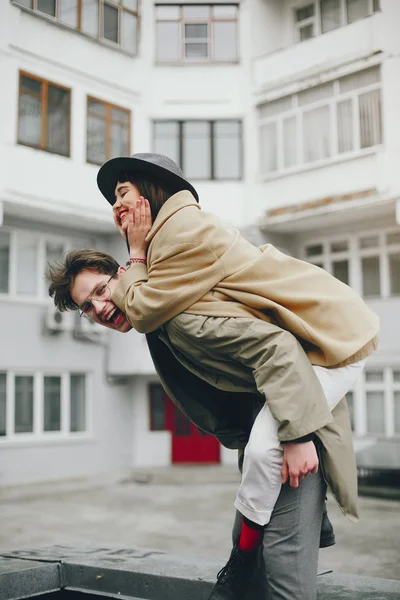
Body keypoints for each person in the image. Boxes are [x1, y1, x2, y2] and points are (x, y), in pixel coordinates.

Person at [47, 154, 379, 600]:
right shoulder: (164, 298)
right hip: (277, 411)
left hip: (304, 397)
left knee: (282, 570)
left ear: (125, 275)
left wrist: (299, 438)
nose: (99, 309)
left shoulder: (171, 298)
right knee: (258, 534)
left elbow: (276, 350)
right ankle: (241, 564)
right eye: (87, 308)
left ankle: (239, 566)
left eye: (102, 291)